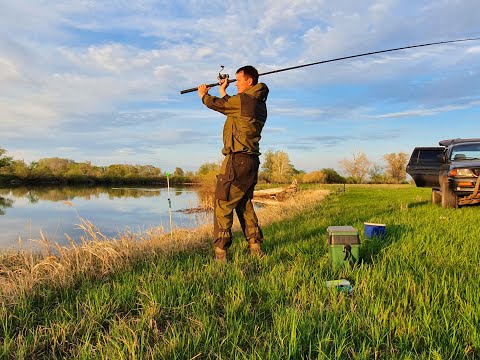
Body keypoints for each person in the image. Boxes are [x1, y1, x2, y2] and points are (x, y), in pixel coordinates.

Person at [197, 66, 269, 262]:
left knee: (222, 204)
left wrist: (204, 95)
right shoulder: (258, 104)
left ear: (250, 82)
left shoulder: (244, 101)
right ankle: (255, 247)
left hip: (237, 160)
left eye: (239, 80)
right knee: (243, 203)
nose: (236, 84)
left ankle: (221, 254)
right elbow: (230, 104)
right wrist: (223, 90)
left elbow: (219, 104)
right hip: (251, 161)